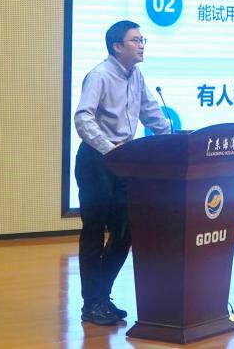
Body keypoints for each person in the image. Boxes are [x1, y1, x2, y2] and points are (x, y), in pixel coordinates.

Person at [73, 20, 172, 325]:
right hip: (97, 160)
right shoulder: (99, 76)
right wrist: (109, 149)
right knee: (94, 231)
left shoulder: (136, 75)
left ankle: (102, 296)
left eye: (143, 40)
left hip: (125, 163)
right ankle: (91, 303)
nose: (141, 45)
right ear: (117, 46)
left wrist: (173, 140)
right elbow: (83, 118)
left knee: (125, 231)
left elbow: (150, 111)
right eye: (135, 40)